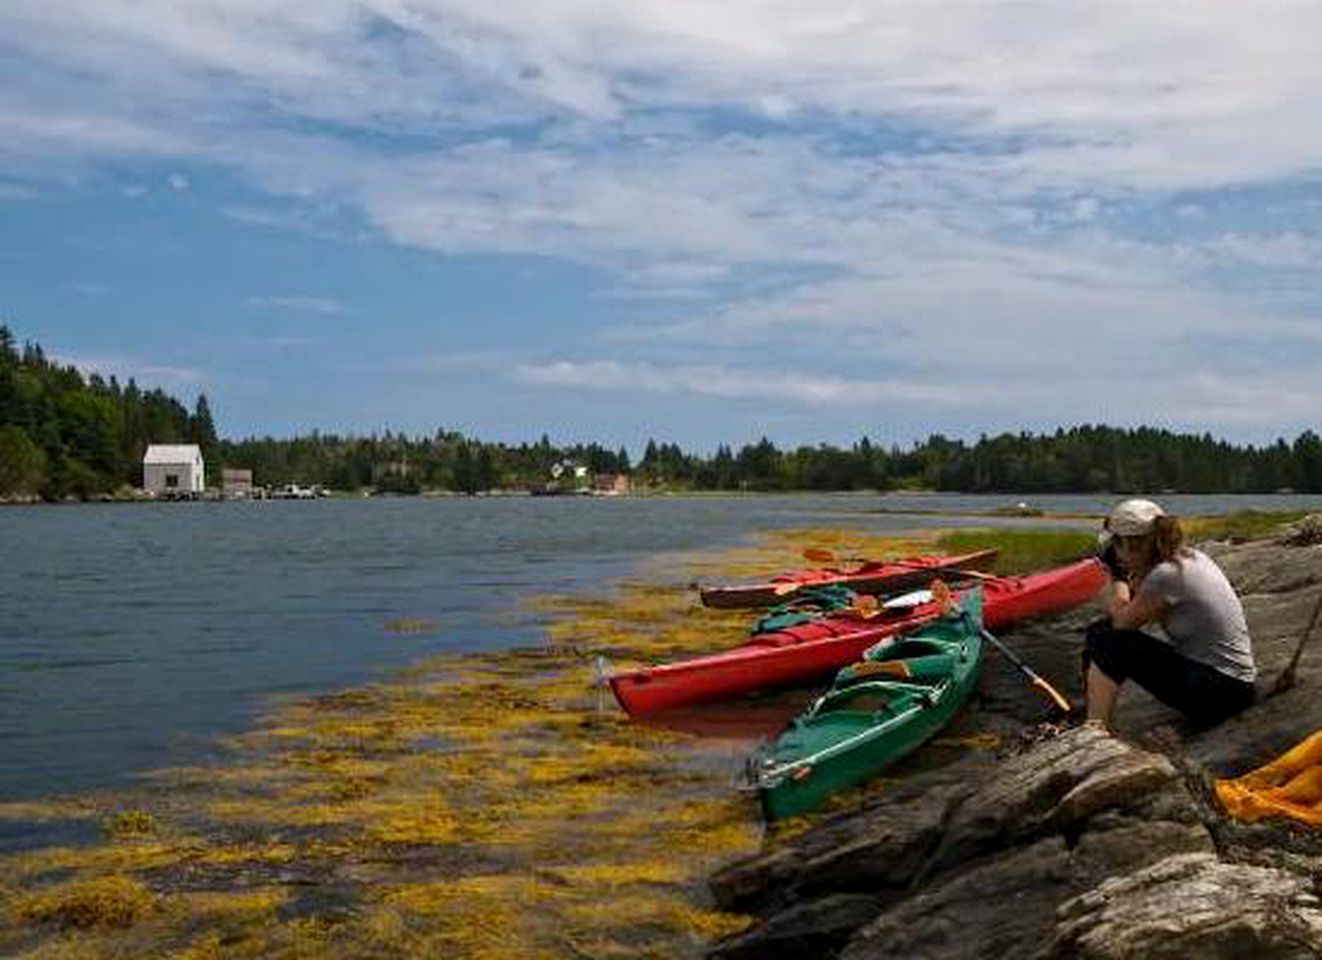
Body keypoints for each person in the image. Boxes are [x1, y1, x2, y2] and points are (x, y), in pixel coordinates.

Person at [1084, 498, 1256, 729]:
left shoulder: (1166, 575)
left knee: (1107, 639)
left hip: (1221, 692)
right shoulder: (1191, 558)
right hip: (1232, 685)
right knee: (1102, 636)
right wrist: (1128, 574)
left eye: (1115, 544)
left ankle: (1095, 727)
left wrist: (1116, 577)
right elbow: (1141, 607)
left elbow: (1123, 623)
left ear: (1129, 544)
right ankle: (1092, 712)